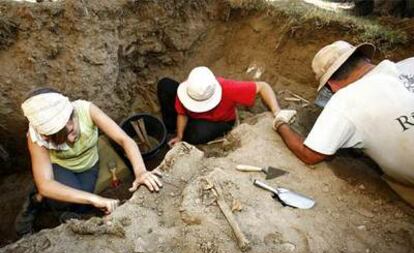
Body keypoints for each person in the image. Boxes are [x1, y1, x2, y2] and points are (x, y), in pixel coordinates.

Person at [273, 40, 414, 205]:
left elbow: (309, 155)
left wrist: (281, 123)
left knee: (396, 183)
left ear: (331, 85)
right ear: (365, 60)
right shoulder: (404, 67)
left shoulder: (344, 100)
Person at [16, 88, 163, 235]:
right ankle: (35, 200)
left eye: (72, 131)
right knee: (62, 198)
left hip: (89, 164)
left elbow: (125, 140)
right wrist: (94, 199)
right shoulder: (38, 136)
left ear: (72, 116)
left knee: (82, 204)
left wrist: (141, 172)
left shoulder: (86, 110)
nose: (70, 140)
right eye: (60, 140)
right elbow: (46, 184)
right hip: (60, 166)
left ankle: (62, 211)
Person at [157, 66, 293, 146]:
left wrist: (277, 111)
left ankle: (187, 135)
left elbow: (263, 86)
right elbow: (182, 112)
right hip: (190, 117)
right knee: (165, 85)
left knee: (194, 134)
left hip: (219, 121)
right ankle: (170, 129)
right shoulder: (190, 88)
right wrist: (179, 136)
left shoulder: (227, 88)